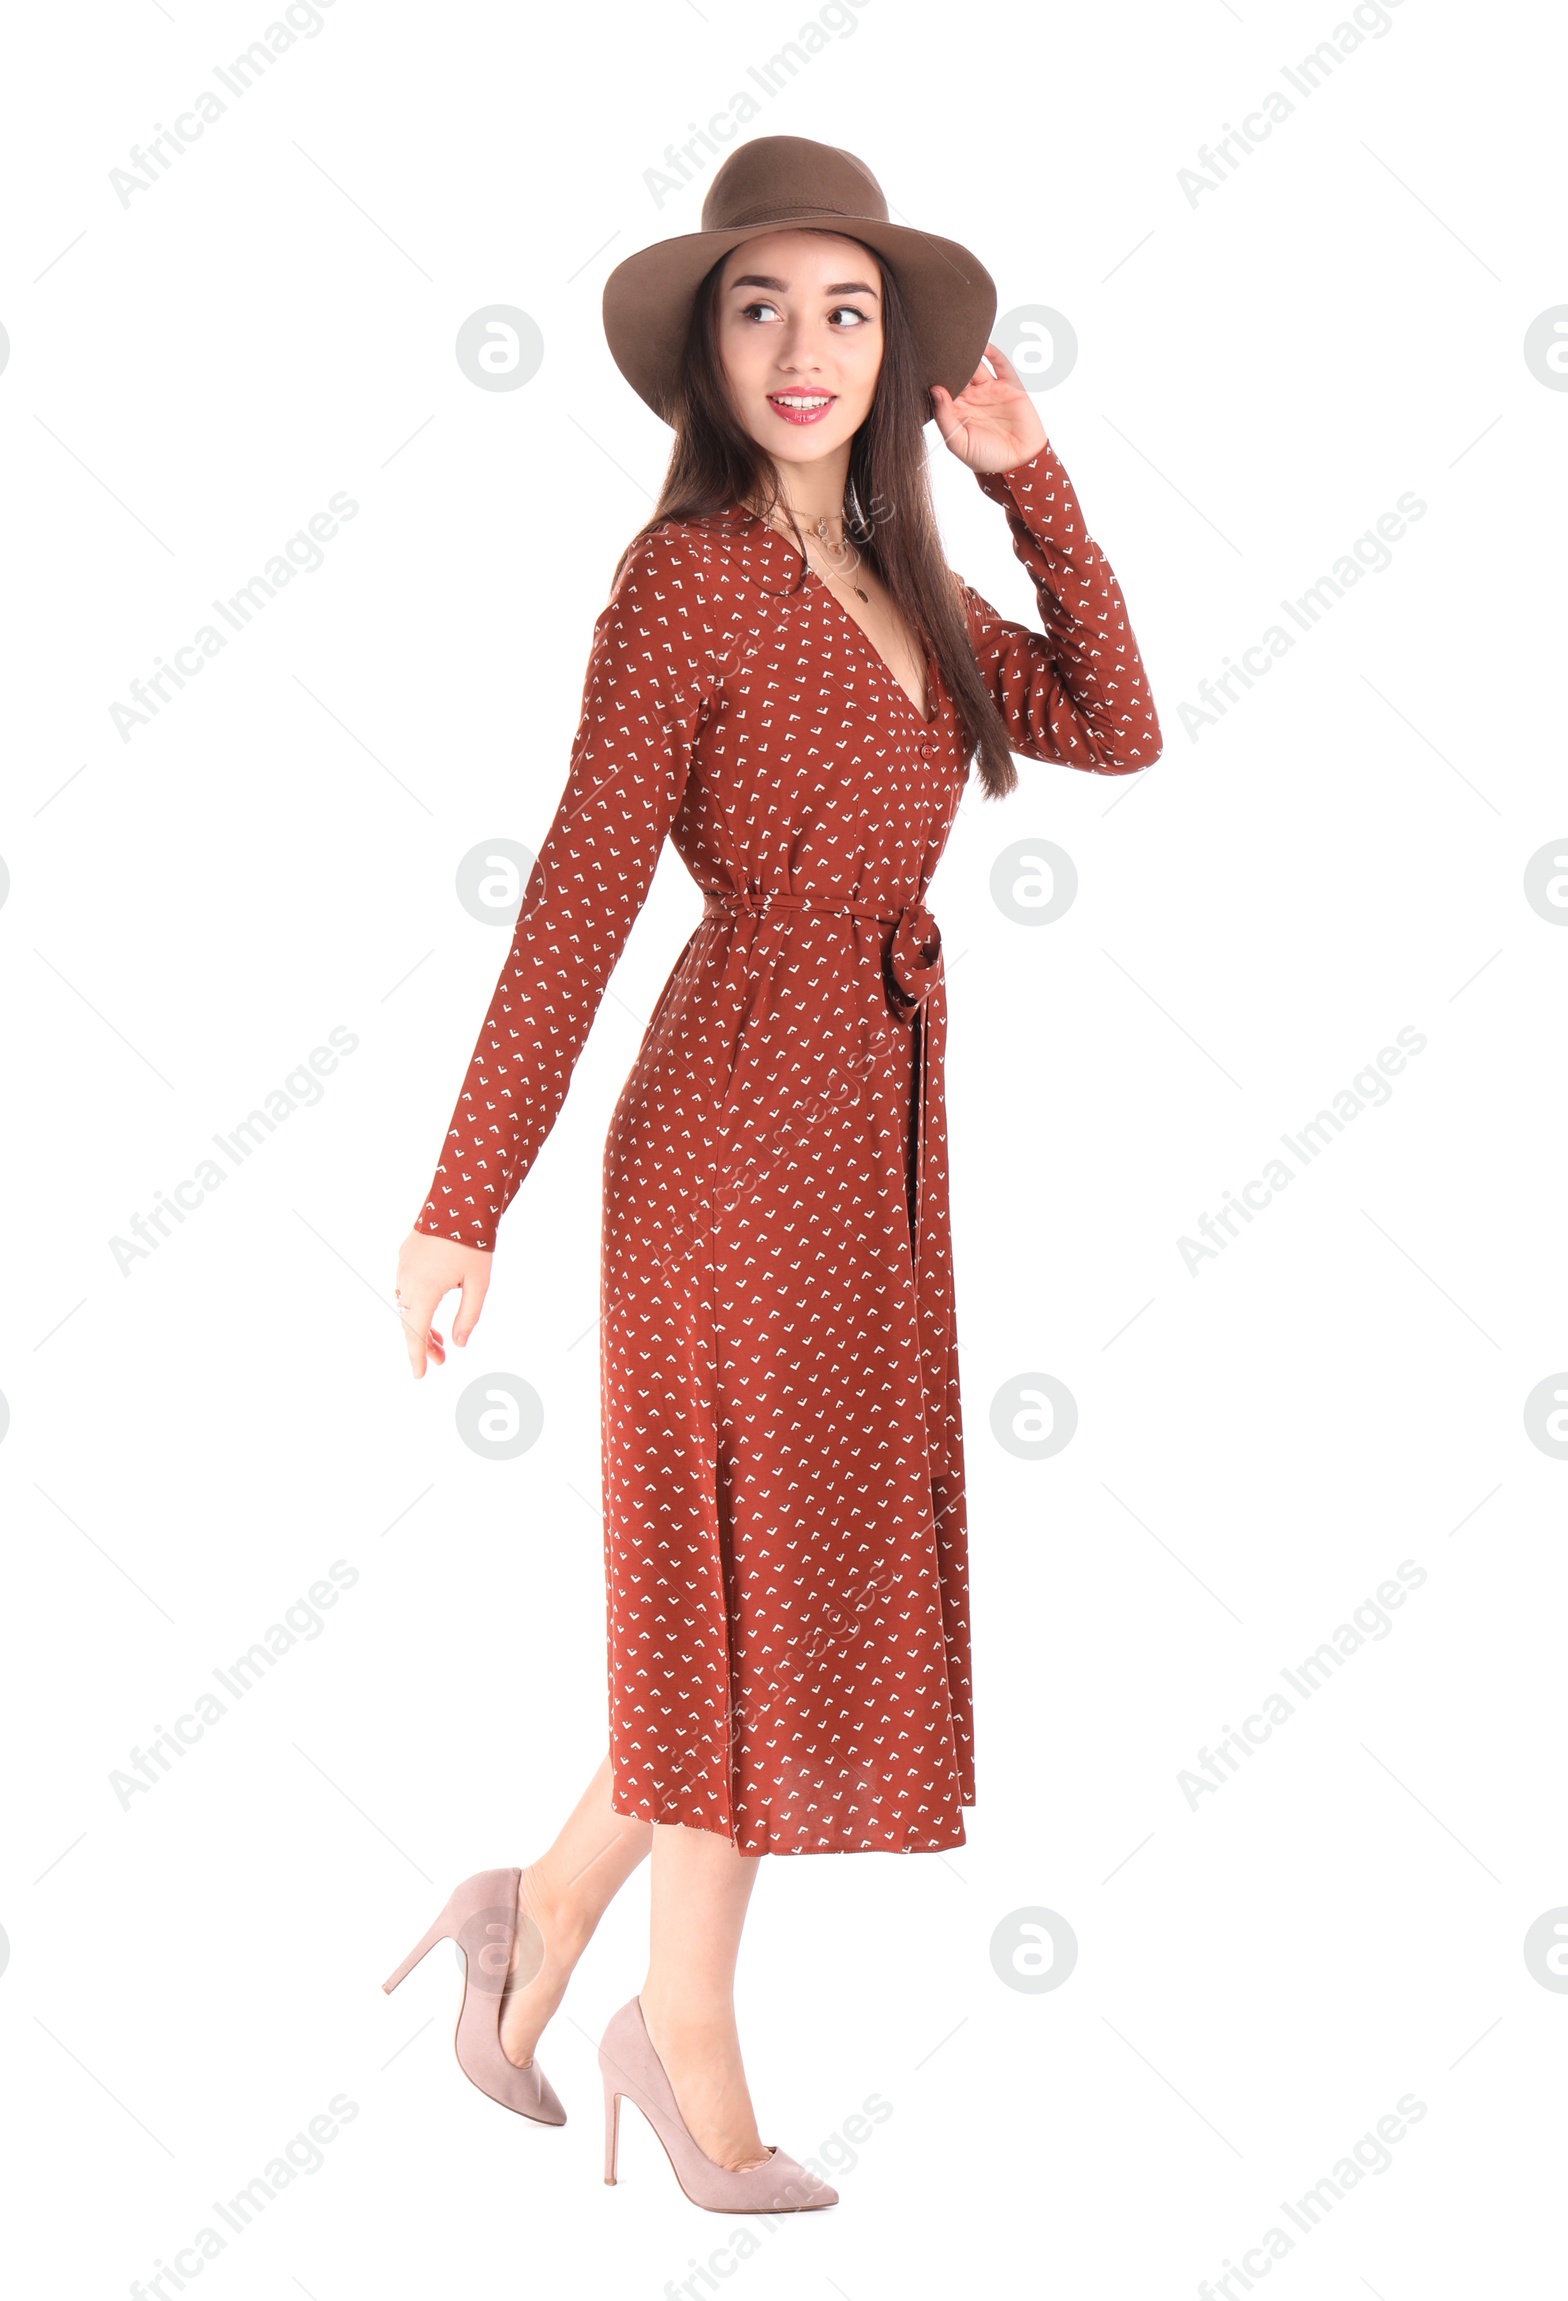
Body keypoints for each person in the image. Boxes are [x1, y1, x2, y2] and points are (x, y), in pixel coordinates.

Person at [385, 134, 1163, 2214]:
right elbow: (575, 891)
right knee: (728, 1577)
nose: (804, 346)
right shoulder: (687, 582)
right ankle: (679, 2016)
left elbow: (1119, 719)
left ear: (894, 344)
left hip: (881, 1123)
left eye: (842, 308)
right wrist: (468, 1192)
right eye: (760, 307)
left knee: (788, 1589)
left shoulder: (907, 580)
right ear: (704, 354)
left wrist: (1025, 473)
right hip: (730, 1115)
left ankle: (543, 1919)